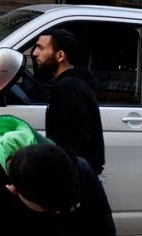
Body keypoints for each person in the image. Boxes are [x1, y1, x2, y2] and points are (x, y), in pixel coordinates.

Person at [31, 28, 105, 175]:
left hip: (73, 175)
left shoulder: (69, 87)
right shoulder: (73, 83)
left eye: (41, 48)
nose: (34, 53)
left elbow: (77, 140)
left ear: (60, 55)